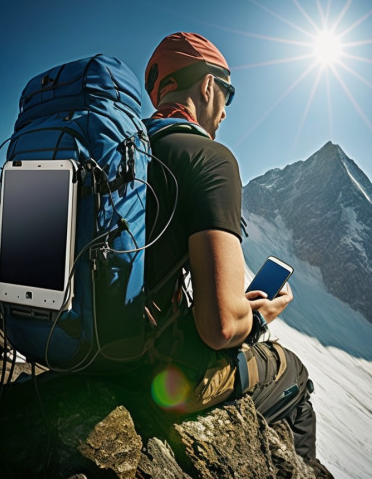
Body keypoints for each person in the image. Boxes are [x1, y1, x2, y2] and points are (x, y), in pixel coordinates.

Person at [141, 32, 332, 478]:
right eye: (227, 93)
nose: (225, 110)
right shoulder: (210, 159)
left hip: (85, 351)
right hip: (152, 374)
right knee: (293, 373)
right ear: (208, 86)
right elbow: (222, 327)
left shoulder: (126, 153)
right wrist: (261, 315)